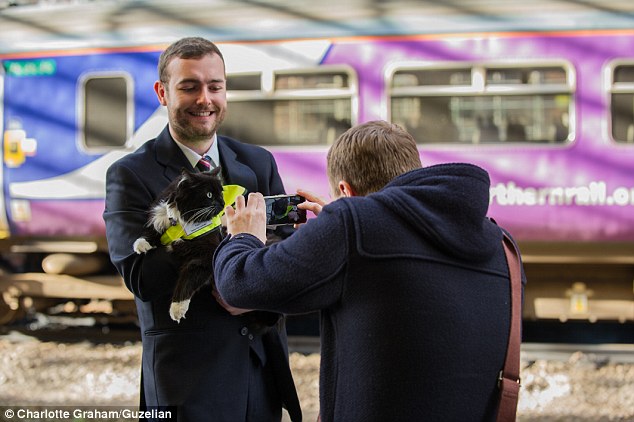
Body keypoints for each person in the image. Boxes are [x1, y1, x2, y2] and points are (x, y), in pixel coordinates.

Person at [213, 120, 526, 421]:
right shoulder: (503, 247)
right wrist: (339, 232)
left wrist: (244, 234)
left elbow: (239, 283)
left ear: (345, 190)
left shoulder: (352, 226)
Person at [103, 37, 301, 421]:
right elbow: (140, 275)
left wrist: (255, 295)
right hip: (186, 386)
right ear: (162, 93)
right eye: (189, 86)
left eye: (215, 86)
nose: (204, 99)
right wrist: (231, 244)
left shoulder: (257, 162)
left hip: (261, 373)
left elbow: (287, 251)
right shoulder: (129, 174)